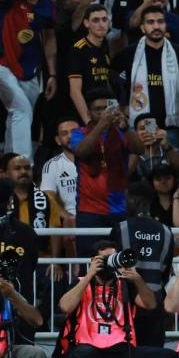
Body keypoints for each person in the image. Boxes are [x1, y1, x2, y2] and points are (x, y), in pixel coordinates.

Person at [59, 240, 178, 358]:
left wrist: (138, 279)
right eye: (105, 259)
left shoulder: (125, 284)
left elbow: (150, 304)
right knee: (85, 353)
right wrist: (89, 275)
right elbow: (65, 306)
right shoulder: (81, 282)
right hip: (88, 347)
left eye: (113, 258)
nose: (110, 263)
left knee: (169, 357)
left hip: (121, 349)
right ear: (93, 261)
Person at [0, 0, 58, 160]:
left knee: (20, 115)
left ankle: (9, 161)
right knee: (21, 109)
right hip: (2, 62)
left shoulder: (46, 5)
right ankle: (24, 164)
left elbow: (49, 39)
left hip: (31, 68)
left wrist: (52, 74)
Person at [109, 181, 174, 347]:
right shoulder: (166, 231)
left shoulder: (122, 228)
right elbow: (166, 271)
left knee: (129, 354)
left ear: (133, 200)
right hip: (155, 300)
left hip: (126, 302)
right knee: (154, 354)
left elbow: (112, 263)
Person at [71, 90, 130, 256]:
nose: (103, 112)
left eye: (106, 108)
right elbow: (81, 151)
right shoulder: (79, 133)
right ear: (89, 113)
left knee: (120, 261)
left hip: (118, 209)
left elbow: (139, 149)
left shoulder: (120, 133)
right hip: (89, 211)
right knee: (88, 261)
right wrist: (102, 126)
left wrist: (126, 127)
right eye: (98, 109)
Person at [0, 272, 47, 358]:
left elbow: (38, 321)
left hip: (5, 348)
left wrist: (12, 294)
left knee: (37, 354)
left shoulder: (4, 291)